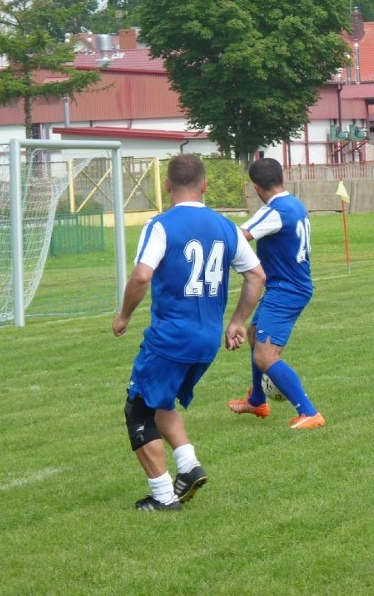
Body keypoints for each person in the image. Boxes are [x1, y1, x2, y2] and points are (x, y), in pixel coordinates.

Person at [113, 153, 265, 511]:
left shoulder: (161, 225)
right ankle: (188, 465)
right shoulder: (227, 227)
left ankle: (163, 497)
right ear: (205, 185)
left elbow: (141, 275)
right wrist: (237, 321)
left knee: (137, 410)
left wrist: (123, 316)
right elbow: (257, 275)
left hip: (171, 337)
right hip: (208, 339)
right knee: (160, 401)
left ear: (167, 185)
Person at [227, 158, 325, 429]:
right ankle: (257, 400)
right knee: (253, 333)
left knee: (265, 355)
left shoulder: (274, 211)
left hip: (287, 290)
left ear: (256, 187)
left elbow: (240, 236)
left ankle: (309, 413)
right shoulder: (294, 203)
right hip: (287, 286)